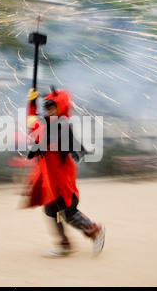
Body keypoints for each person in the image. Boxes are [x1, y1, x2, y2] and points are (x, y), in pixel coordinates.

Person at [20, 87, 105, 257]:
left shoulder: (63, 127)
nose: (48, 110)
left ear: (61, 108)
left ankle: (94, 230)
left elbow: (44, 137)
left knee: (68, 210)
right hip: (49, 177)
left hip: (61, 178)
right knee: (51, 211)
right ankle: (64, 244)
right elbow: (35, 125)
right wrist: (31, 104)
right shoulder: (46, 122)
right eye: (47, 107)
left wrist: (37, 133)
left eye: (52, 107)